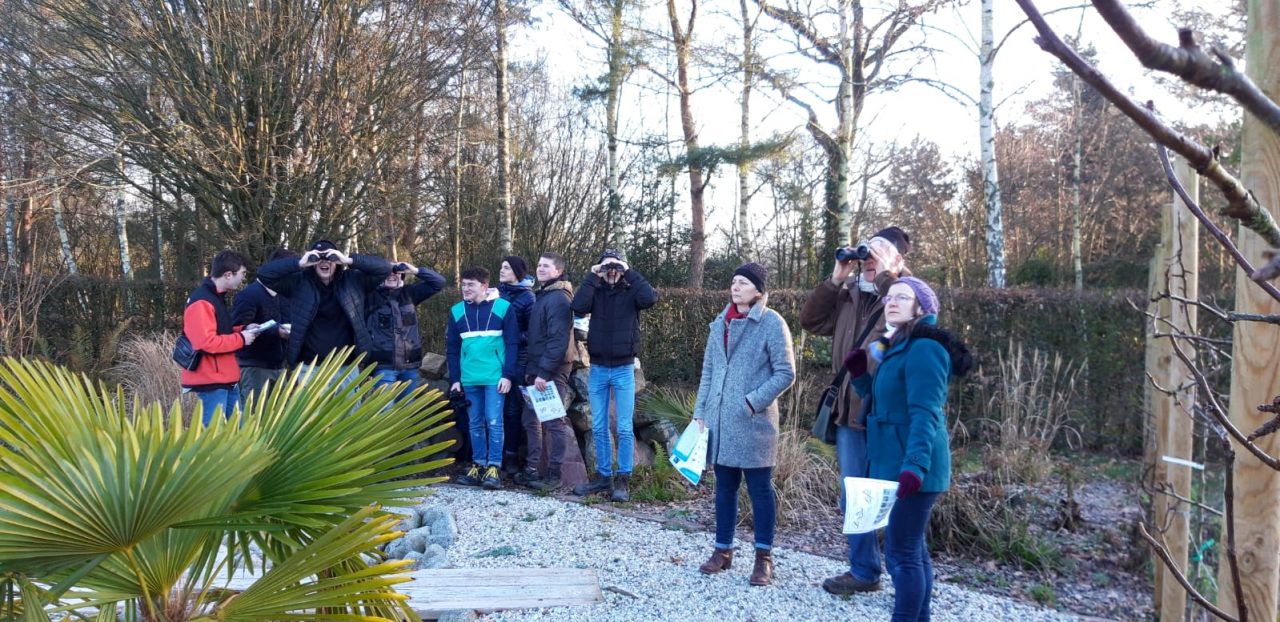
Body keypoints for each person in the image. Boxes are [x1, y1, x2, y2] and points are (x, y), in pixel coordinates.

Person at [845, 276, 972, 622]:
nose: (892, 302)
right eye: (889, 297)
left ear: (922, 307)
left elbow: (925, 413)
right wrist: (860, 376)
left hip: (913, 466)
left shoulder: (925, 348)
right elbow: (887, 399)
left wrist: (914, 465)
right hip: (895, 461)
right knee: (914, 552)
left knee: (902, 555)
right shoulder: (898, 344)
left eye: (903, 297)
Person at [799, 226, 911, 595]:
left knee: (895, 494)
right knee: (853, 494)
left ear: (897, 261)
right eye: (866, 254)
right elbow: (811, 322)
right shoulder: (848, 295)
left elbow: (901, 333)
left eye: (878, 255)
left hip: (888, 414)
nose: (868, 261)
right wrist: (835, 279)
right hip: (849, 413)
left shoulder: (906, 296)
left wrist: (886, 278)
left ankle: (906, 573)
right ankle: (864, 570)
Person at [694, 262, 795, 587]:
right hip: (719, 422)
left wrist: (752, 401)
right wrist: (700, 411)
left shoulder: (771, 323)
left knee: (760, 490)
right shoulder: (718, 324)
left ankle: (764, 557)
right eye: (733, 281)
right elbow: (708, 371)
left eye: (743, 282)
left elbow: (785, 372)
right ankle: (723, 550)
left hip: (754, 424)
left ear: (759, 290)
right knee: (724, 487)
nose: (735, 287)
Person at [570, 249, 657, 502]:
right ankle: (603, 476)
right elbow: (578, 307)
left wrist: (627, 269)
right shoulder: (594, 291)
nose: (611, 271)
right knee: (598, 426)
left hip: (623, 369)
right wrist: (592, 276)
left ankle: (623, 479)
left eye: (615, 267)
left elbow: (650, 298)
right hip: (597, 368)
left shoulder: (632, 292)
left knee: (624, 427)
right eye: (606, 266)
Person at [256, 240, 392, 378]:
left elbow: (385, 268)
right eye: (318, 259)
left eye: (329, 258)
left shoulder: (353, 281)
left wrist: (348, 260)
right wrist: (300, 263)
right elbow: (264, 274)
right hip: (310, 368)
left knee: (348, 401)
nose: (324, 262)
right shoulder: (299, 283)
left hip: (346, 367)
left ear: (337, 262)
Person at [447, 267, 520, 490]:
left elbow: (513, 343)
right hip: (469, 378)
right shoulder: (456, 311)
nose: (465, 288)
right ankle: (478, 465)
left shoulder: (503, 308)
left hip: (494, 377)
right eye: (463, 284)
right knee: (474, 423)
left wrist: (508, 375)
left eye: (471, 284)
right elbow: (452, 348)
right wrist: (455, 378)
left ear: (484, 286)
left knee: (494, 421)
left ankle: (494, 467)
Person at [512, 252, 577, 492]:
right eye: (538, 265)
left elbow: (558, 340)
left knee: (553, 422)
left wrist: (544, 372)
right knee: (530, 420)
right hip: (537, 368)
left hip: (551, 370)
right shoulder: (544, 295)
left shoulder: (558, 298)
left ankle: (554, 475)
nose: (540, 269)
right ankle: (532, 470)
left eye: (546, 266)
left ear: (558, 271)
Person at [180, 249, 258, 426]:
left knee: (235, 433)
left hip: (225, 378)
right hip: (211, 380)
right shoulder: (201, 301)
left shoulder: (215, 297)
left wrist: (244, 329)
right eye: (242, 274)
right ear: (228, 275)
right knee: (213, 437)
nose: (243, 279)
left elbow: (220, 331)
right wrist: (242, 339)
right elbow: (205, 343)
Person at [365, 259, 447, 396]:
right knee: (384, 411)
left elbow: (439, 283)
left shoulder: (409, 293)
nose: (392, 275)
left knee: (407, 410)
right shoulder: (369, 296)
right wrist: (378, 267)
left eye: (396, 272)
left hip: (410, 366)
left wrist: (415, 270)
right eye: (387, 272)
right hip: (382, 366)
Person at [231, 247, 297, 405]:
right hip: (254, 368)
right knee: (253, 421)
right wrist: (276, 332)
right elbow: (237, 329)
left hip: (280, 368)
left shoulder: (285, 295)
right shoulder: (249, 295)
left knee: (281, 421)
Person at [497, 255, 536, 474]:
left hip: (519, 360)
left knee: (513, 410)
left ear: (517, 272)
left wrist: (509, 336)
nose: (501, 271)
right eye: (501, 267)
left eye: (506, 268)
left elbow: (532, 333)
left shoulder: (528, 298)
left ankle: (511, 457)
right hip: (496, 358)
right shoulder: (497, 293)